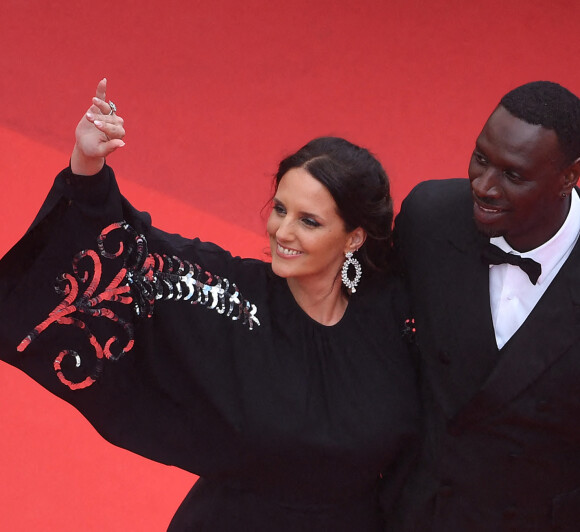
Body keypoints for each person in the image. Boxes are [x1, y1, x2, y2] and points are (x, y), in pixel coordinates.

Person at [0, 79, 419, 531]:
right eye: (280, 209)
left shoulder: (397, 316)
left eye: (309, 221)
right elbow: (132, 250)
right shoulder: (229, 296)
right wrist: (88, 165)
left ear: (354, 237)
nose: (282, 232)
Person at [391, 80, 580, 531]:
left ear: (569, 177)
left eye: (513, 175)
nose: (483, 185)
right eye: (480, 158)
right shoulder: (430, 218)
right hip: (417, 513)